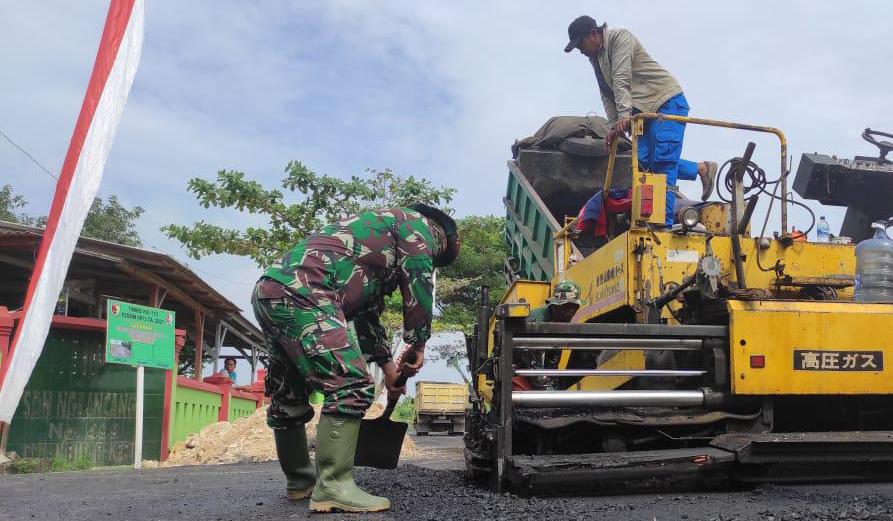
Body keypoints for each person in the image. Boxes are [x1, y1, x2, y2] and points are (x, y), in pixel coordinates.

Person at [251, 204, 460, 513]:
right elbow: (418, 279)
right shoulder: (418, 226)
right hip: (308, 294)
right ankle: (334, 486)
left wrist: (389, 369)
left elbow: (366, 318)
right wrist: (418, 341)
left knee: (289, 392)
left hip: (271, 293)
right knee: (351, 384)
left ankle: (301, 480)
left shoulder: (376, 241)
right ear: (443, 236)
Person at [564, 15, 718, 226]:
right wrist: (613, 127)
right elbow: (606, 94)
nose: (580, 51)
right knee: (643, 164)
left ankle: (661, 225)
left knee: (663, 163)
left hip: (665, 102)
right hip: (643, 113)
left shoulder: (619, 38)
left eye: (580, 44)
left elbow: (622, 79)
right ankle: (701, 168)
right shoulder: (596, 58)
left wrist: (624, 116)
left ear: (594, 34)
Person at [518, 281, 586, 390]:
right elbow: (532, 367)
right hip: (519, 372)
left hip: (537, 373)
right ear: (554, 306)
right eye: (567, 308)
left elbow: (552, 362)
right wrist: (551, 395)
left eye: (575, 308)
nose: (571, 313)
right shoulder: (536, 324)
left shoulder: (559, 323)